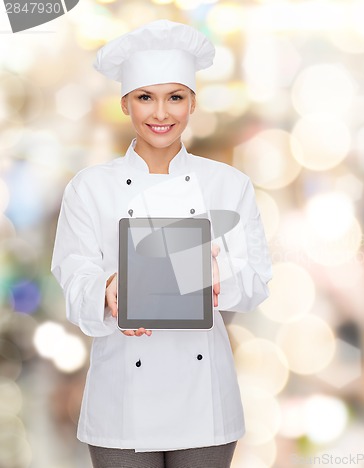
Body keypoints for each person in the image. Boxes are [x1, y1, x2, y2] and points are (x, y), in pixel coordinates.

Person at [51, 19, 272, 468]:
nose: (160, 114)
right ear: (125, 103)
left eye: (175, 97)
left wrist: (214, 275)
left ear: (192, 102)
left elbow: (256, 283)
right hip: (122, 398)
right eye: (145, 98)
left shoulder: (229, 186)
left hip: (204, 400)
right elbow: (73, 276)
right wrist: (108, 290)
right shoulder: (89, 188)